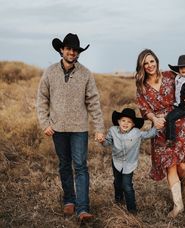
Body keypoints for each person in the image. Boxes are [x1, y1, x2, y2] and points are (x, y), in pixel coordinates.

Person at [36, 33, 104, 221]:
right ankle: (69, 200)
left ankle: (83, 208)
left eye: (75, 50)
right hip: (57, 128)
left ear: (78, 53)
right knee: (64, 165)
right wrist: (45, 123)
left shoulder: (85, 74)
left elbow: (93, 102)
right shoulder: (50, 72)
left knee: (81, 166)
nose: (72, 52)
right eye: (68, 49)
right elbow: (42, 98)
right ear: (62, 50)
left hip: (79, 129)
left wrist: (99, 127)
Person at [135, 49, 185, 218]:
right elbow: (143, 108)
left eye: (151, 61)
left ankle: (183, 183)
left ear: (157, 61)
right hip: (160, 127)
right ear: (142, 66)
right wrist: (153, 119)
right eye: (145, 63)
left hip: (178, 122)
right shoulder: (141, 85)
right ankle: (178, 206)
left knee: (182, 166)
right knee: (170, 165)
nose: (149, 65)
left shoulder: (170, 75)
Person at [100, 108, 159, 214]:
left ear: (133, 124)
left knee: (127, 185)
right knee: (117, 182)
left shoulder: (136, 133)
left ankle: (132, 210)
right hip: (116, 161)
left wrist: (157, 125)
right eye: (123, 120)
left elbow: (149, 134)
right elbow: (107, 143)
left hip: (129, 163)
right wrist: (102, 140)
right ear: (118, 121)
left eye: (129, 122)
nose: (125, 123)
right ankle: (119, 200)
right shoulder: (113, 130)